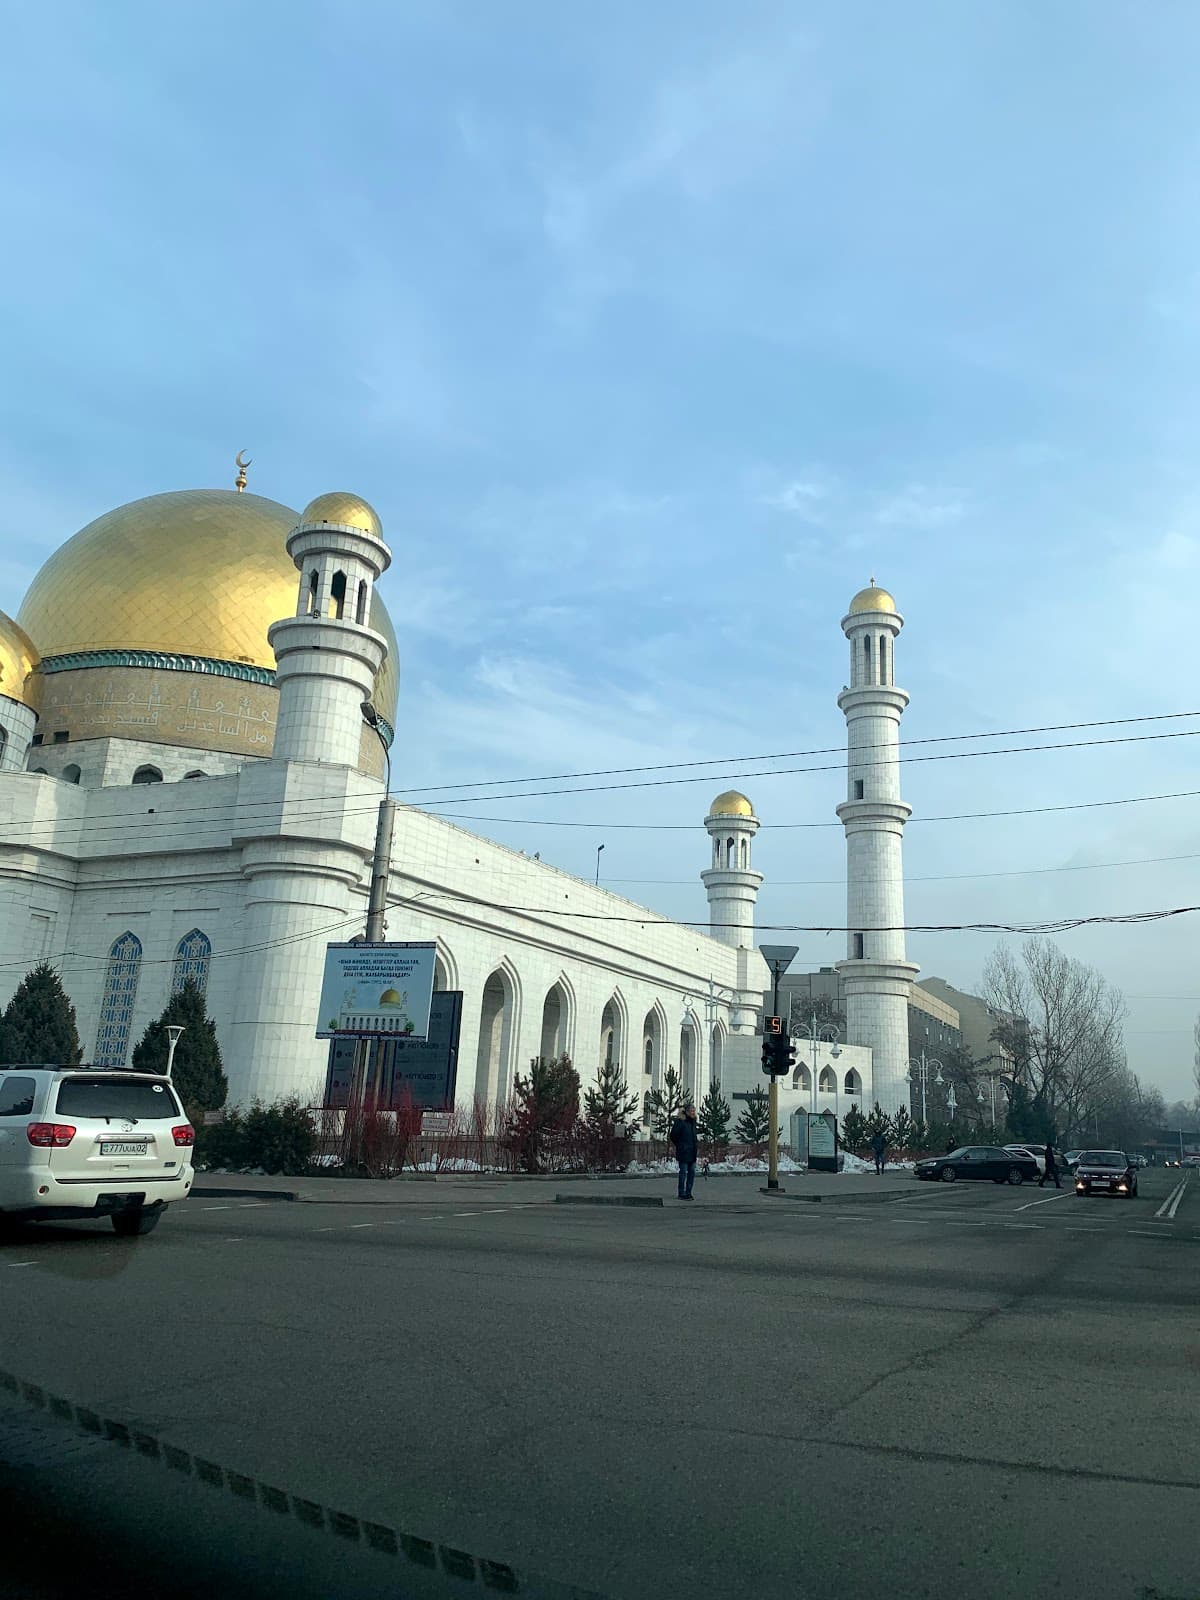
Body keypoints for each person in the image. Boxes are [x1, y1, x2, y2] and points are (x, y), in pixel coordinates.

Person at [669, 1104, 699, 1201]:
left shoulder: (693, 1122)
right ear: (686, 1112)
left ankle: (689, 1192)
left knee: (692, 1173)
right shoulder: (680, 1122)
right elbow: (673, 1135)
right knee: (683, 1173)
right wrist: (680, 1145)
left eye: (694, 1111)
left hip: (692, 1152)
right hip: (683, 1152)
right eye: (691, 1111)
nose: (693, 1113)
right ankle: (681, 1193)